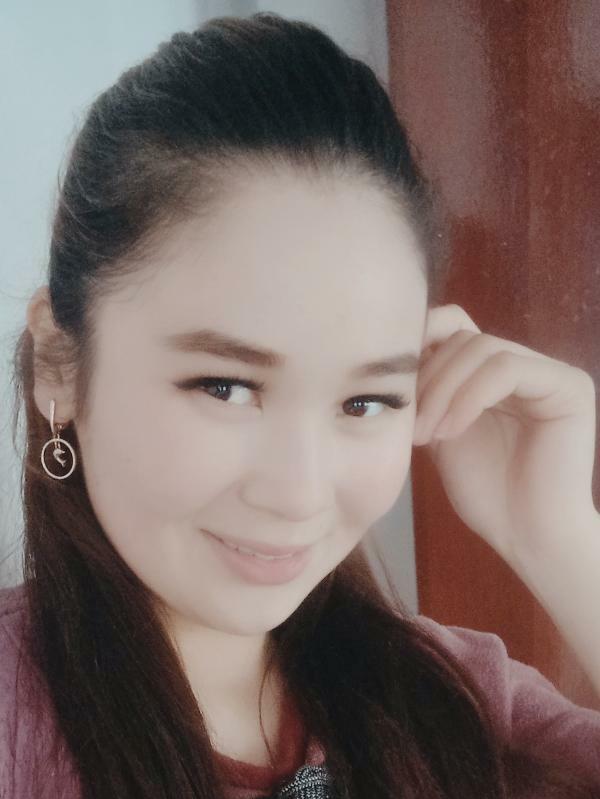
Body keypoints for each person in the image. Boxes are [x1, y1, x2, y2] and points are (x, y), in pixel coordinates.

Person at [1, 11, 599, 799]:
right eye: (225, 386)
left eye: (365, 399)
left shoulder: (457, 698)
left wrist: (559, 536)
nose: (299, 493)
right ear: (59, 361)